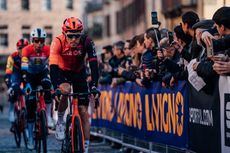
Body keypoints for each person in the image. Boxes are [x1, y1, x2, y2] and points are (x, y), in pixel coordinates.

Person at [49, 17, 99, 153]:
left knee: (83, 112)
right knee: (65, 90)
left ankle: (86, 147)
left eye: (77, 36)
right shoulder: (57, 41)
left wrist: (94, 86)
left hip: (79, 72)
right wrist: (56, 87)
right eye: (70, 36)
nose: (74, 39)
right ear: (64, 34)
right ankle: (60, 119)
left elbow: (94, 65)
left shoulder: (87, 42)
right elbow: (52, 68)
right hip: (61, 71)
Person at [21, 28, 52, 149]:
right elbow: (24, 69)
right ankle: (30, 138)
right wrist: (26, 83)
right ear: (32, 41)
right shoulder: (26, 50)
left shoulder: (48, 49)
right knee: (30, 105)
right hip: (30, 76)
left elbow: (54, 63)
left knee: (48, 87)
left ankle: (48, 117)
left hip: (42, 73)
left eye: (41, 41)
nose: (39, 44)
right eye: (36, 41)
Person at [5, 38, 29, 122]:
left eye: (24, 48)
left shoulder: (30, 56)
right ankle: (11, 110)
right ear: (17, 48)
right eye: (20, 48)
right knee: (14, 88)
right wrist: (9, 84)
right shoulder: (12, 56)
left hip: (26, 73)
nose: (22, 50)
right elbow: (8, 71)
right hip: (16, 73)